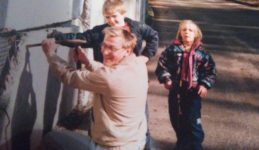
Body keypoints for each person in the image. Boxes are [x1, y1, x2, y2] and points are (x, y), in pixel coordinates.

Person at [52, 0, 158, 149]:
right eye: (107, 17)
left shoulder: (137, 27)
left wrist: (145, 56)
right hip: (108, 81)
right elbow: (81, 37)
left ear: (123, 14)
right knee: (101, 116)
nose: (111, 21)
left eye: (114, 16)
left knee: (139, 117)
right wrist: (59, 38)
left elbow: (153, 36)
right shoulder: (100, 32)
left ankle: (142, 144)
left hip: (130, 83)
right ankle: (98, 141)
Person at [42, 26, 148, 149]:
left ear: (127, 51)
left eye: (112, 48)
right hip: (135, 141)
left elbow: (69, 76)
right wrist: (88, 62)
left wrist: (50, 54)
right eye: (104, 45)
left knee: (51, 138)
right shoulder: (139, 64)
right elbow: (112, 74)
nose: (105, 51)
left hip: (112, 146)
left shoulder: (108, 78)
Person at [155, 20, 216, 150]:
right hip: (176, 91)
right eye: (184, 30)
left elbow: (210, 71)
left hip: (193, 93)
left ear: (196, 34)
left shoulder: (202, 54)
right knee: (177, 119)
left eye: (190, 30)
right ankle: (182, 143)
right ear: (180, 33)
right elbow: (162, 65)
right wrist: (166, 79)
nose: (187, 32)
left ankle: (195, 145)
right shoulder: (172, 50)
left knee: (193, 121)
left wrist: (204, 84)